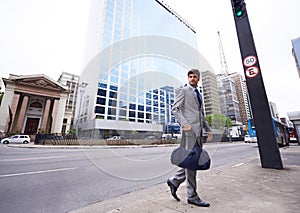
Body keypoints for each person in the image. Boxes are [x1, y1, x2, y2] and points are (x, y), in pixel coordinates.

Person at [167, 69, 212, 207]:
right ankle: (192, 196)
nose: (192, 79)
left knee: (192, 160)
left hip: (199, 132)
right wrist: (184, 124)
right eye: (190, 77)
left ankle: (174, 181)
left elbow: (201, 114)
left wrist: (208, 129)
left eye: (195, 77)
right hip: (189, 132)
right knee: (193, 162)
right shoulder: (184, 90)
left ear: (198, 79)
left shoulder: (199, 94)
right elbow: (175, 109)